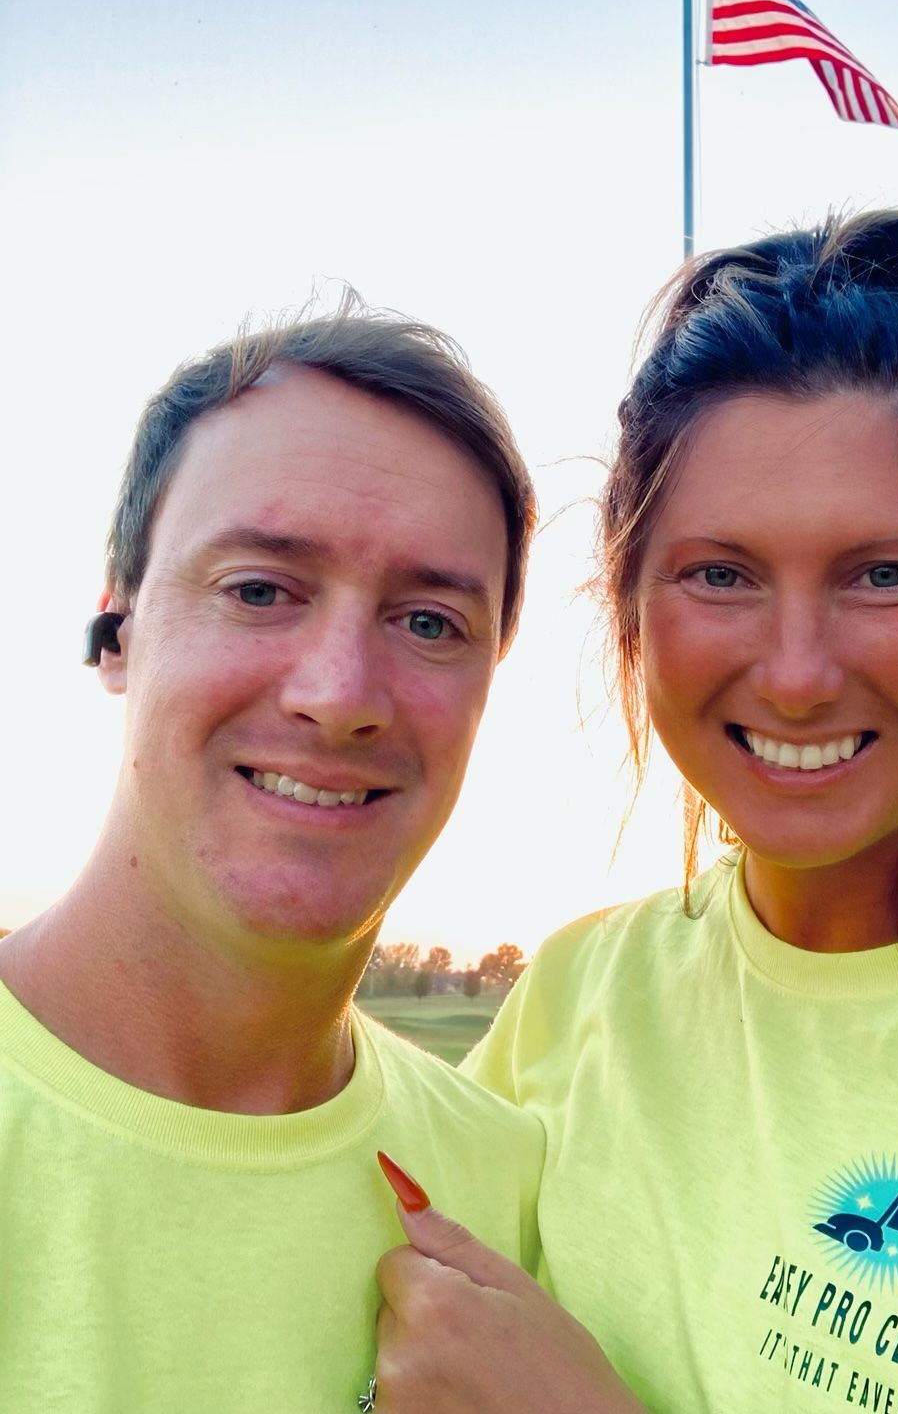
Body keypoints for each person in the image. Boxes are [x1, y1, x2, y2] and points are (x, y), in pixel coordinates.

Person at [373, 210, 898, 1412]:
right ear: (630, 602)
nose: (794, 671)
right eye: (721, 574)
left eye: (881, 572)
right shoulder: (579, 996)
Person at [0, 298, 549, 1411]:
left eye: (431, 620)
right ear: (119, 626)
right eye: (258, 589)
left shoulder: (509, 1186)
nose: (337, 693)